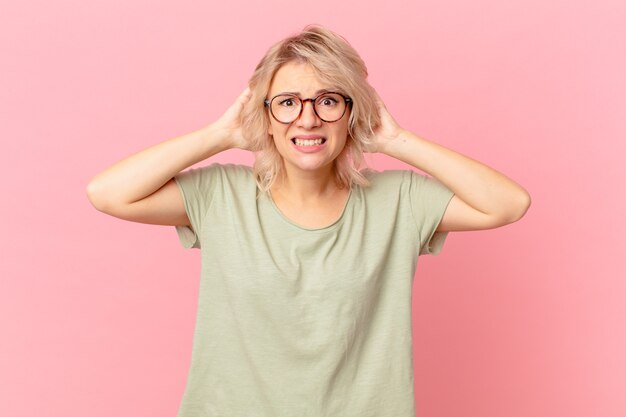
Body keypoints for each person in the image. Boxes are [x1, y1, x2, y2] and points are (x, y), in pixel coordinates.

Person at [87, 24, 530, 417]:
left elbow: (508, 204)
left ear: (352, 111)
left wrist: (396, 140)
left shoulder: (399, 200)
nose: (308, 118)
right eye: (287, 102)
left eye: (328, 100)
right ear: (265, 114)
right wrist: (219, 136)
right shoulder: (221, 194)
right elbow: (106, 194)